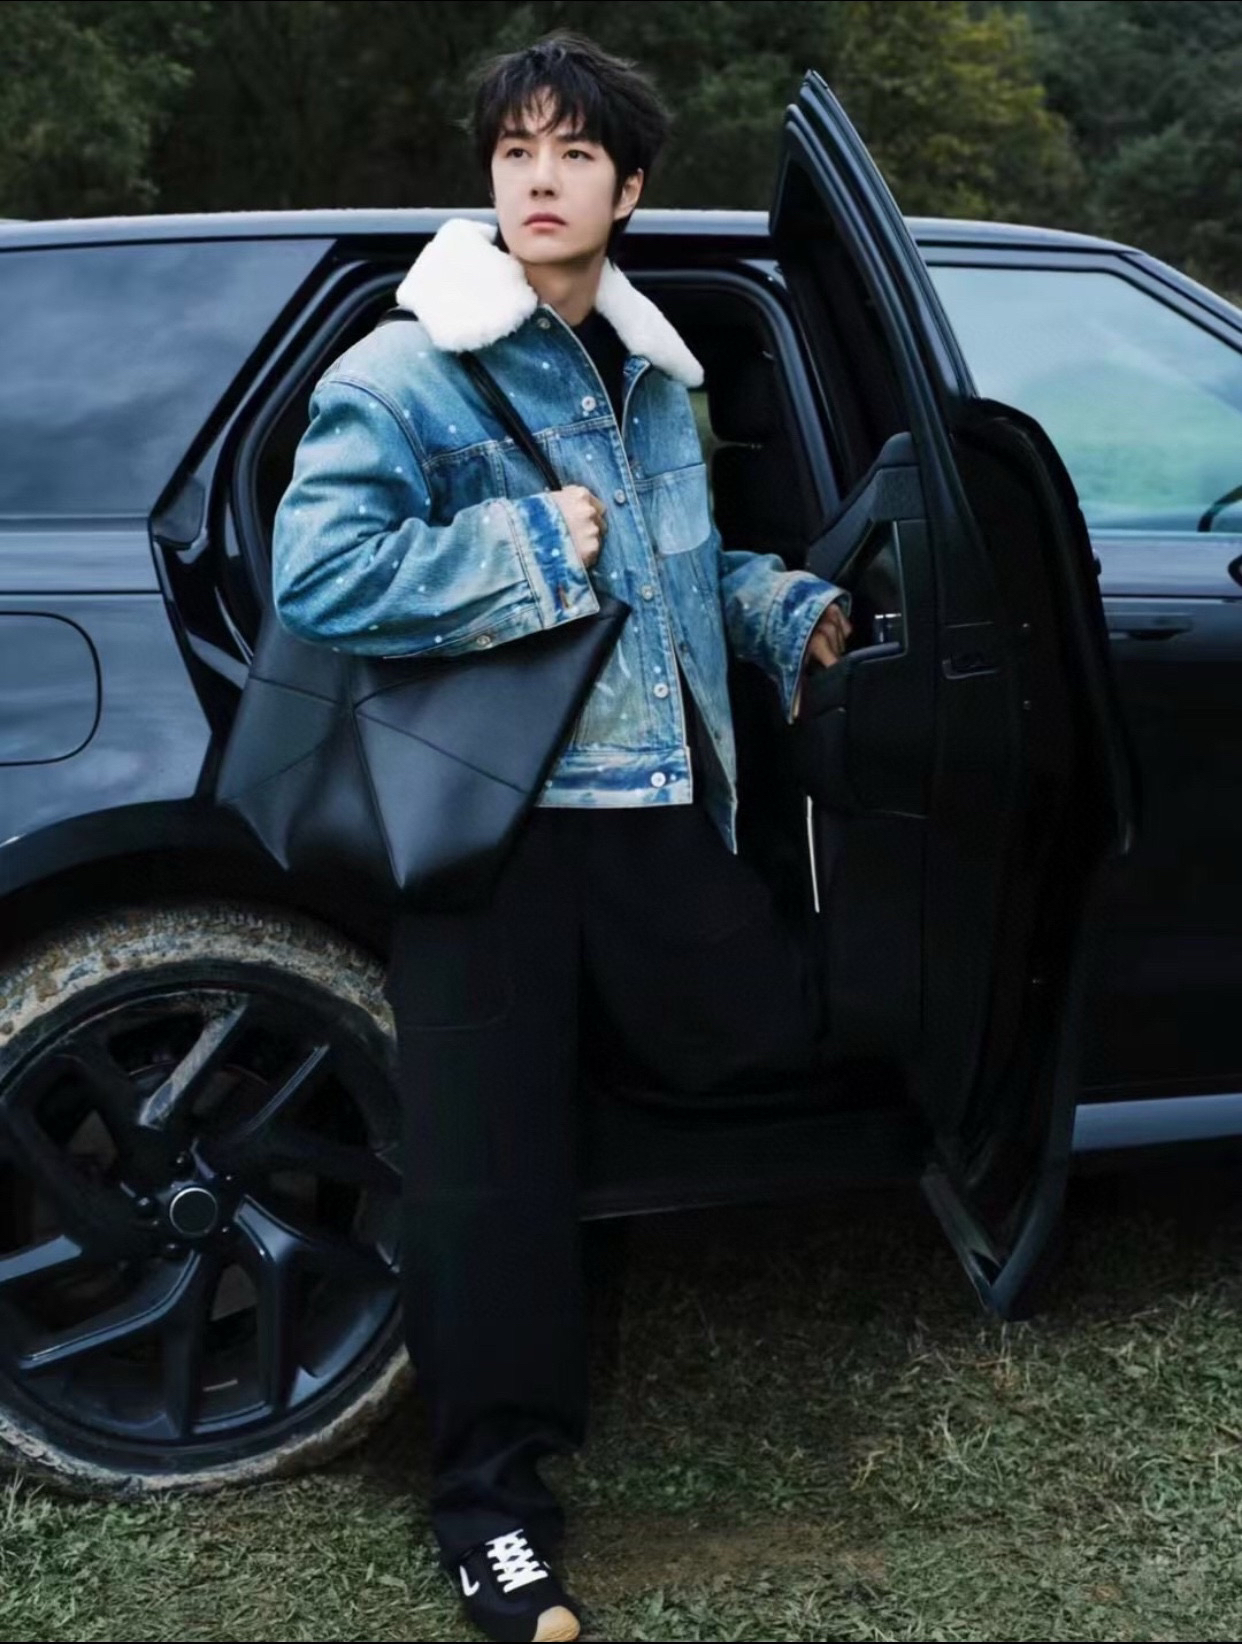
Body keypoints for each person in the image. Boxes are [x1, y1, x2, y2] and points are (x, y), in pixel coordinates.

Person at [271, 29, 851, 1644]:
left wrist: (779, 608)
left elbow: (676, 564)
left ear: (627, 187)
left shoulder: (654, 375)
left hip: (656, 805)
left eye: (574, 153)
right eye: (516, 151)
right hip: (499, 832)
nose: (540, 178)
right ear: (490, 177)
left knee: (765, 1027)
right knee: (488, 1182)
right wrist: (529, 540)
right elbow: (320, 575)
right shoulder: (405, 371)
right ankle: (493, 1516)